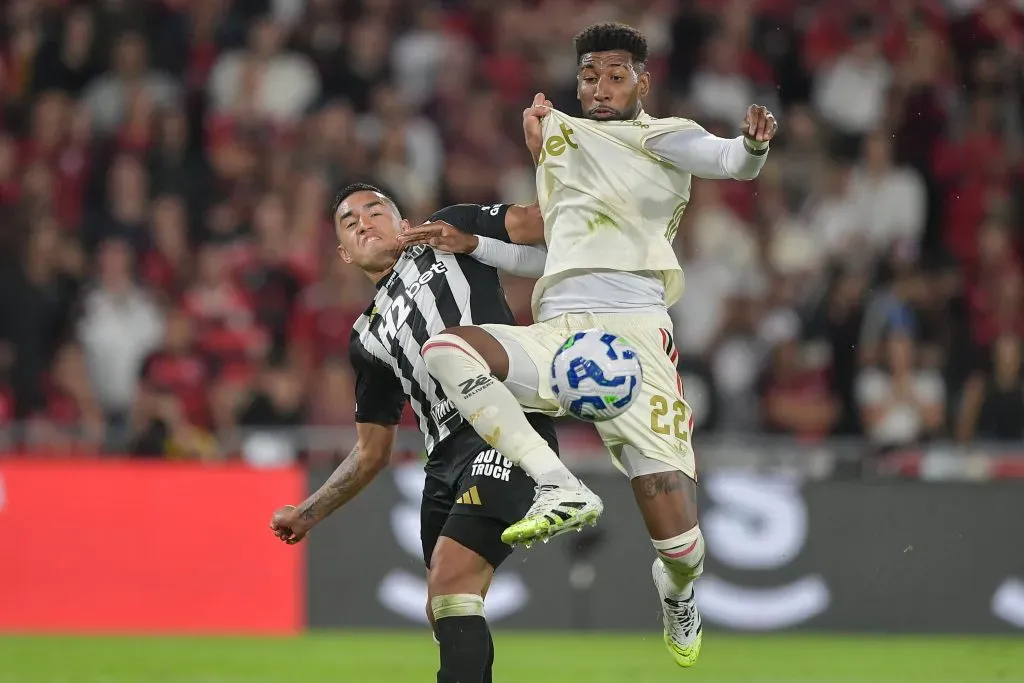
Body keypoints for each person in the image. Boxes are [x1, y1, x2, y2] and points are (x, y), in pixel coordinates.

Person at [405, 22, 778, 668]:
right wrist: (479, 245)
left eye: (613, 76)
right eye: (588, 77)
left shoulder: (663, 136)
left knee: (683, 548)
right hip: (560, 327)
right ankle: (559, 485)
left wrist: (752, 146)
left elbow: (729, 161)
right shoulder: (559, 135)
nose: (599, 89)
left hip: (636, 335)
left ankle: (677, 591)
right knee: (447, 349)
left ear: (642, 80)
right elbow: (559, 249)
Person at [269, 183, 555, 683]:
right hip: (442, 460)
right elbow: (371, 451)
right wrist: (308, 512)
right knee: (446, 608)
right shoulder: (367, 337)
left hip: (505, 429)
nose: (362, 222)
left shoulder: (451, 229)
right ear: (343, 253)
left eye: (374, 210)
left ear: (403, 223)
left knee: (450, 580)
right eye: (348, 221)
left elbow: (541, 223)